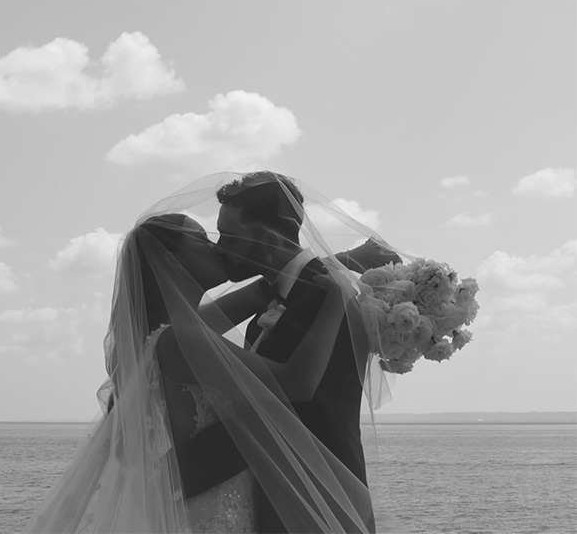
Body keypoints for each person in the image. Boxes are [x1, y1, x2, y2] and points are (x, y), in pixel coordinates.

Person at [24, 173, 397, 533]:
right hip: (213, 507)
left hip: (223, 501)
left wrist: (337, 261)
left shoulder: (170, 334)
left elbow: (265, 289)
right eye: (203, 241)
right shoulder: (181, 339)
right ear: (173, 263)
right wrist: (338, 297)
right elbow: (293, 385)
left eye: (222, 236)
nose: (217, 246)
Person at [177, 172, 402, 533]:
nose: (220, 247)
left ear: (267, 237)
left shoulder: (326, 297)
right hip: (283, 504)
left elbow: (282, 403)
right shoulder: (282, 294)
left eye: (229, 235)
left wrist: (172, 474)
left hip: (321, 505)